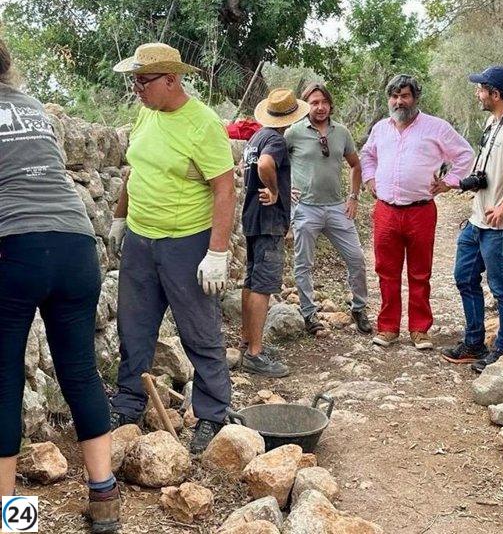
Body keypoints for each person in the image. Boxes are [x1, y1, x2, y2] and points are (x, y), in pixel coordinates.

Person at [0, 38, 120, 533]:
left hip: (18, 249)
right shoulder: (32, 108)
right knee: (81, 372)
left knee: (4, 383)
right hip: (75, 244)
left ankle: (7, 517)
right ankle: (105, 502)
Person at [108, 42, 236, 454]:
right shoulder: (147, 112)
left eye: (142, 81)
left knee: (199, 331)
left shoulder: (202, 124)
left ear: (171, 79)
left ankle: (213, 414)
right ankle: (127, 404)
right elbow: (136, 168)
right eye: (134, 81)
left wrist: (216, 253)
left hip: (186, 242)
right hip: (142, 241)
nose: (136, 89)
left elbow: (224, 188)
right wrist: (120, 217)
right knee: (134, 327)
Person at [361, 74, 474, 350]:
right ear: (389, 99)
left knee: (420, 272)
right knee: (386, 271)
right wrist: (370, 179)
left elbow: (465, 154)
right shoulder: (380, 128)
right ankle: (388, 328)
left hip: (420, 211)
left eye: (405, 96)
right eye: (395, 96)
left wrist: (449, 183)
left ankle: (420, 329)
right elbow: (367, 155)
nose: (399, 102)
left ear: (415, 98)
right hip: (386, 210)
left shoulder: (436, 127)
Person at [441, 66, 503, 372]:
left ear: (495, 94)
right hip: (478, 220)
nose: (477, 93)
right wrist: (457, 183)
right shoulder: (492, 122)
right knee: (464, 276)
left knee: (502, 288)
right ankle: (473, 343)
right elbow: (487, 172)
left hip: (500, 224)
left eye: (481, 88)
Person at [285, 83, 372, 335]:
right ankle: (309, 314)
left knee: (356, 258)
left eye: (324, 102)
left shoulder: (341, 132)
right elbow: (276, 161)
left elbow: (355, 165)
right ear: (306, 105)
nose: (320, 107)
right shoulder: (293, 132)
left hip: (337, 208)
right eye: (314, 102)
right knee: (303, 264)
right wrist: (284, 186)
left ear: (330, 104)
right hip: (305, 208)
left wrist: (354, 196)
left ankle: (359, 307)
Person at [237, 88, 310, 376]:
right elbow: (266, 165)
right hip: (269, 221)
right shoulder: (276, 141)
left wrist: (276, 184)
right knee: (264, 284)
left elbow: (258, 168)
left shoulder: (256, 137)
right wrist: (276, 191)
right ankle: (255, 354)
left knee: (251, 279)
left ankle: (247, 340)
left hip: (253, 216)